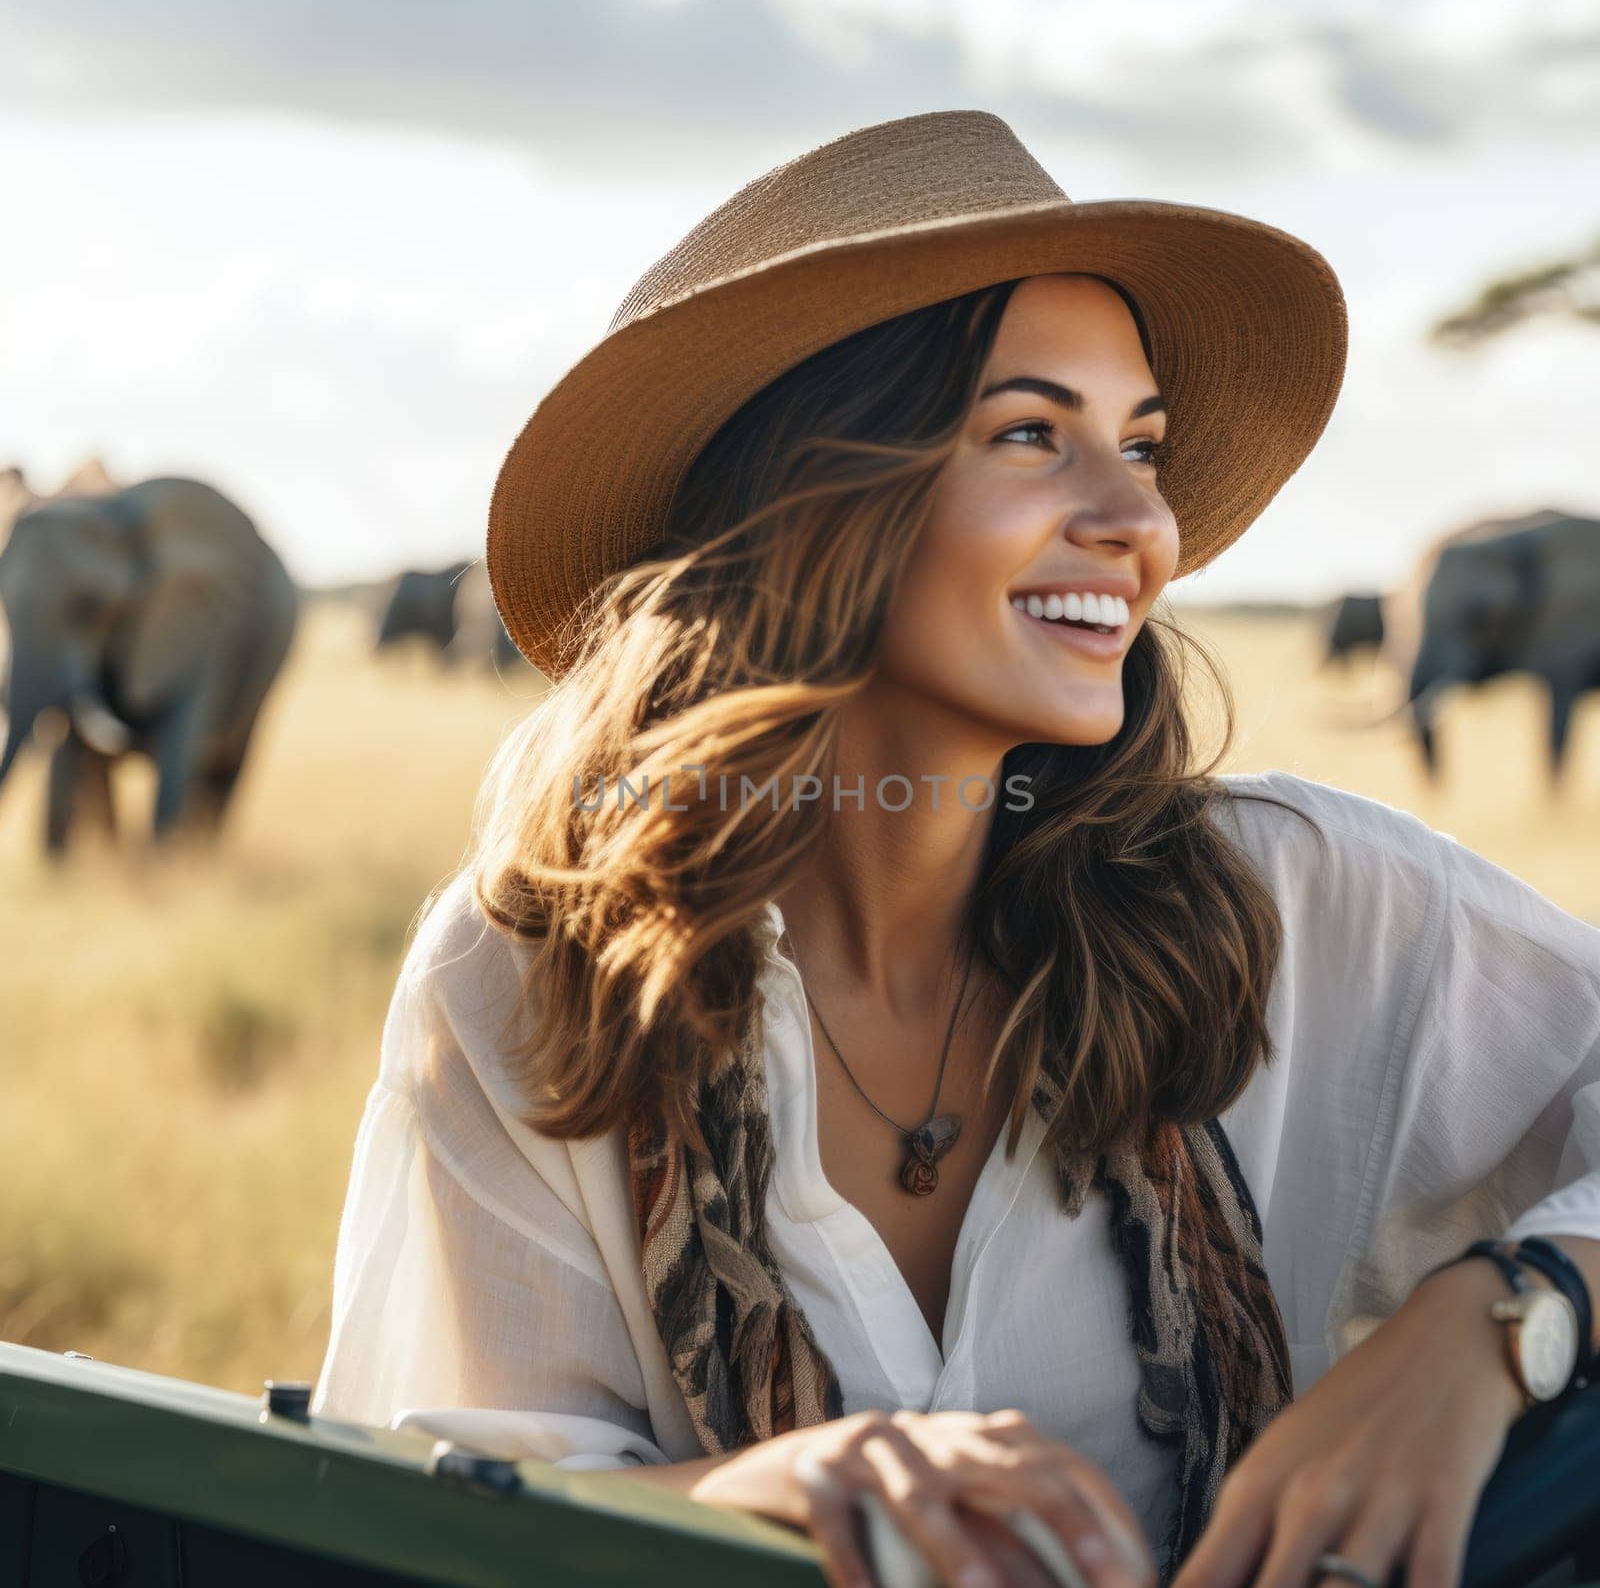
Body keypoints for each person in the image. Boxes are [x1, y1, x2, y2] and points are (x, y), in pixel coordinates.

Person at [311, 111, 1600, 1588]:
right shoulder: (532, 974)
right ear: (817, 494)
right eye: (1033, 434)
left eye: (1146, 447)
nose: (1140, 525)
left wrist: (1507, 1319)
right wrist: (754, 1491)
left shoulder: (1302, 904)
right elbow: (439, 1517)